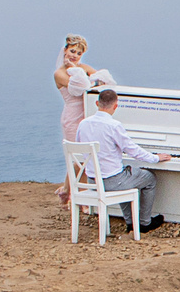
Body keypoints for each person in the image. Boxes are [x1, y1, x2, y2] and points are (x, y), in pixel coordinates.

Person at [71, 84, 169, 233]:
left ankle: (131, 222)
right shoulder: (114, 125)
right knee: (149, 178)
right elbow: (133, 150)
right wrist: (155, 157)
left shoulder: (83, 124)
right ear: (116, 106)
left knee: (123, 174)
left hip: (93, 180)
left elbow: (80, 147)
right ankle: (144, 222)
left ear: (97, 103)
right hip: (112, 182)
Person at [54, 36, 110, 208]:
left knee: (82, 157)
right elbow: (81, 86)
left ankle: (66, 191)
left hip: (86, 116)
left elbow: (103, 80)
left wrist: (90, 75)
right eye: (72, 51)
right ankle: (80, 198)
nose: (75, 55)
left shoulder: (83, 68)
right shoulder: (60, 73)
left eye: (78, 53)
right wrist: (76, 70)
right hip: (72, 117)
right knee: (79, 158)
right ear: (65, 50)